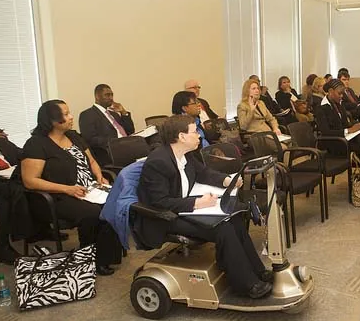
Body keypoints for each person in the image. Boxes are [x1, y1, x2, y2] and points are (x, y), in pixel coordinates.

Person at [136, 115, 273, 299]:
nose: (199, 136)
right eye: (194, 132)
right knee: (223, 228)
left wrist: (226, 181)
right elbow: (160, 202)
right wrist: (197, 203)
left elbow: (204, 173)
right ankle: (246, 284)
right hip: (167, 216)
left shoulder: (186, 154)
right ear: (181, 136)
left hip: (185, 207)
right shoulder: (158, 162)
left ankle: (257, 270)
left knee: (235, 219)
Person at [21, 100, 123, 275]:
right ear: (52, 120)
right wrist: (67, 189)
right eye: (66, 114)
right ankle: (90, 258)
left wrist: (99, 176)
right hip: (57, 195)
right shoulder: (36, 144)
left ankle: (107, 255)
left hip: (88, 189)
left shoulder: (74, 136)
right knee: (92, 213)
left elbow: (91, 160)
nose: (71, 117)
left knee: (114, 203)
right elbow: (30, 181)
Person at [0, 107, 36, 264]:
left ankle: (36, 230)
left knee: (33, 177)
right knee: (10, 190)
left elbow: (16, 151)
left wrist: (34, 156)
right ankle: (6, 245)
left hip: (7, 173)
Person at [79, 84, 135, 166]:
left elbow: (130, 131)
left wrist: (124, 112)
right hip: (109, 152)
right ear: (97, 96)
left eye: (112, 95)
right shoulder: (87, 114)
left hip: (127, 146)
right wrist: (116, 142)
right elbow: (90, 139)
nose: (111, 98)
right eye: (107, 95)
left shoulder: (114, 114)